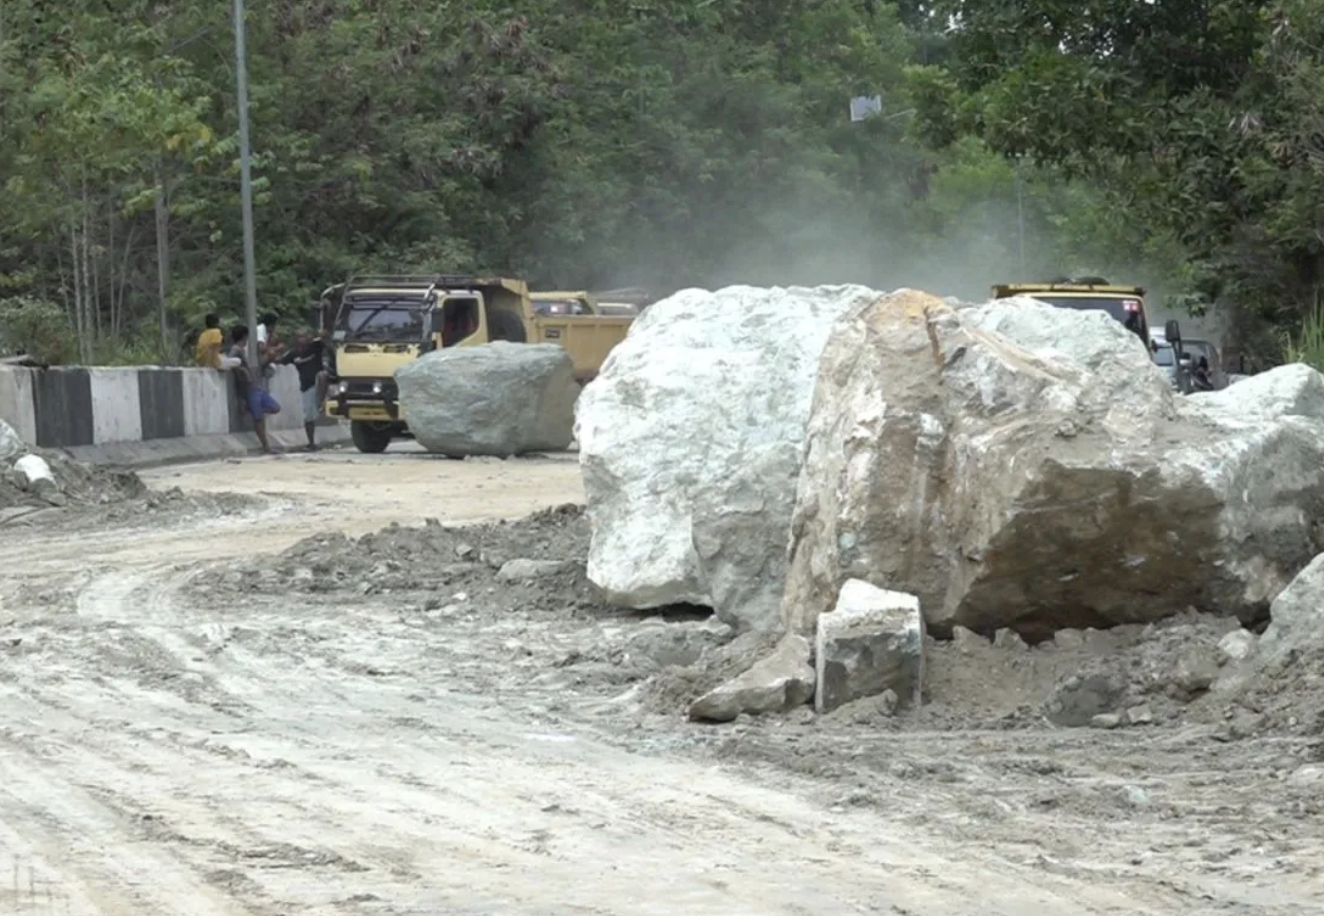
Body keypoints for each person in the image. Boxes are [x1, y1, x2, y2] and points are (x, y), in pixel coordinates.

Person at [228, 324, 282, 455]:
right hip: (249, 389)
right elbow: (230, 362)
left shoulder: (247, 350)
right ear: (245, 336)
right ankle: (266, 447)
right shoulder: (236, 349)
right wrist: (242, 370)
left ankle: (249, 409)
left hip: (256, 387)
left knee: (275, 408)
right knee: (258, 419)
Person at [279, 327, 326, 450]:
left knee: (312, 414)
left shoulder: (315, 347)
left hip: (316, 384)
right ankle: (311, 443)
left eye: (304, 336)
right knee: (308, 416)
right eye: (299, 337)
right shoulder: (294, 353)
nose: (302, 339)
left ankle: (312, 443)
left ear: (309, 336)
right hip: (305, 386)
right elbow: (281, 361)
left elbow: (323, 339)